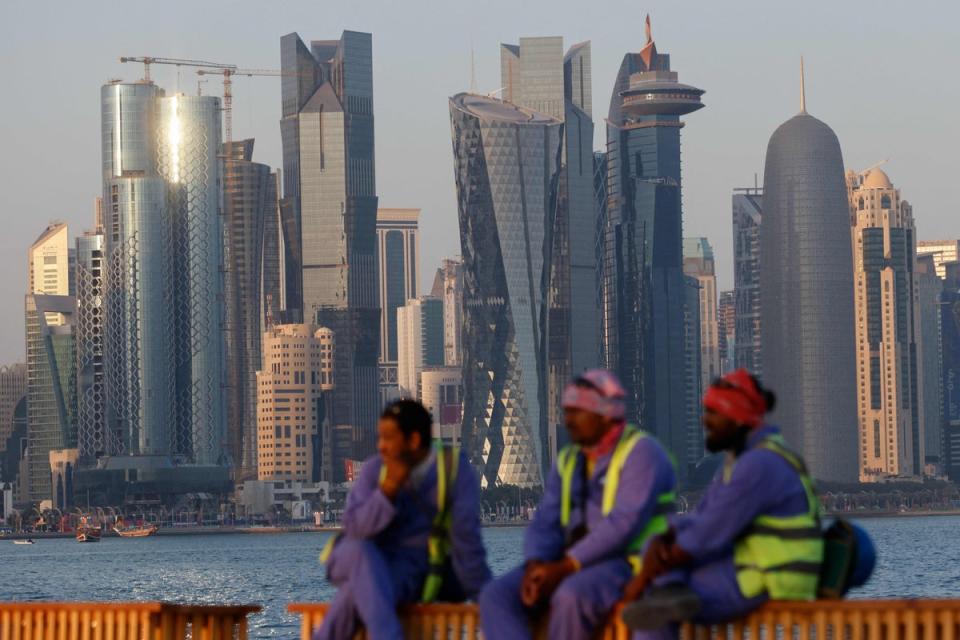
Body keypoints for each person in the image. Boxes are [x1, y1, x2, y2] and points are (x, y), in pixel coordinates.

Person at [621, 369, 823, 635]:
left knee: (656, 610)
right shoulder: (743, 460)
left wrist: (646, 574)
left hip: (773, 577)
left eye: (713, 413)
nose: (705, 420)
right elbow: (701, 518)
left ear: (737, 419)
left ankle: (668, 595)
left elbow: (706, 534)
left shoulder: (758, 464)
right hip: (751, 568)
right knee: (660, 576)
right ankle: (670, 592)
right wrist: (665, 536)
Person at [479, 370, 677, 640]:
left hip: (627, 563)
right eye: (568, 411)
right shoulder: (569, 459)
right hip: (567, 564)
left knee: (572, 595)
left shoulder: (642, 453)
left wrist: (566, 566)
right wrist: (536, 566)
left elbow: (623, 524)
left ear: (605, 415)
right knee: (495, 596)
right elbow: (544, 522)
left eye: (577, 411)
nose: (568, 419)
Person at [314, 400, 491, 640]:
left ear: (414, 441)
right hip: (353, 554)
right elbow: (354, 529)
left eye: (388, 438)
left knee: (355, 592)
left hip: (406, 569)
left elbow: (466, 541)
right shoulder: (375, 469)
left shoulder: (452, 471)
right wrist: (387, 492)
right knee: (361, 552)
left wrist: (489, 600)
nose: (381, 446)